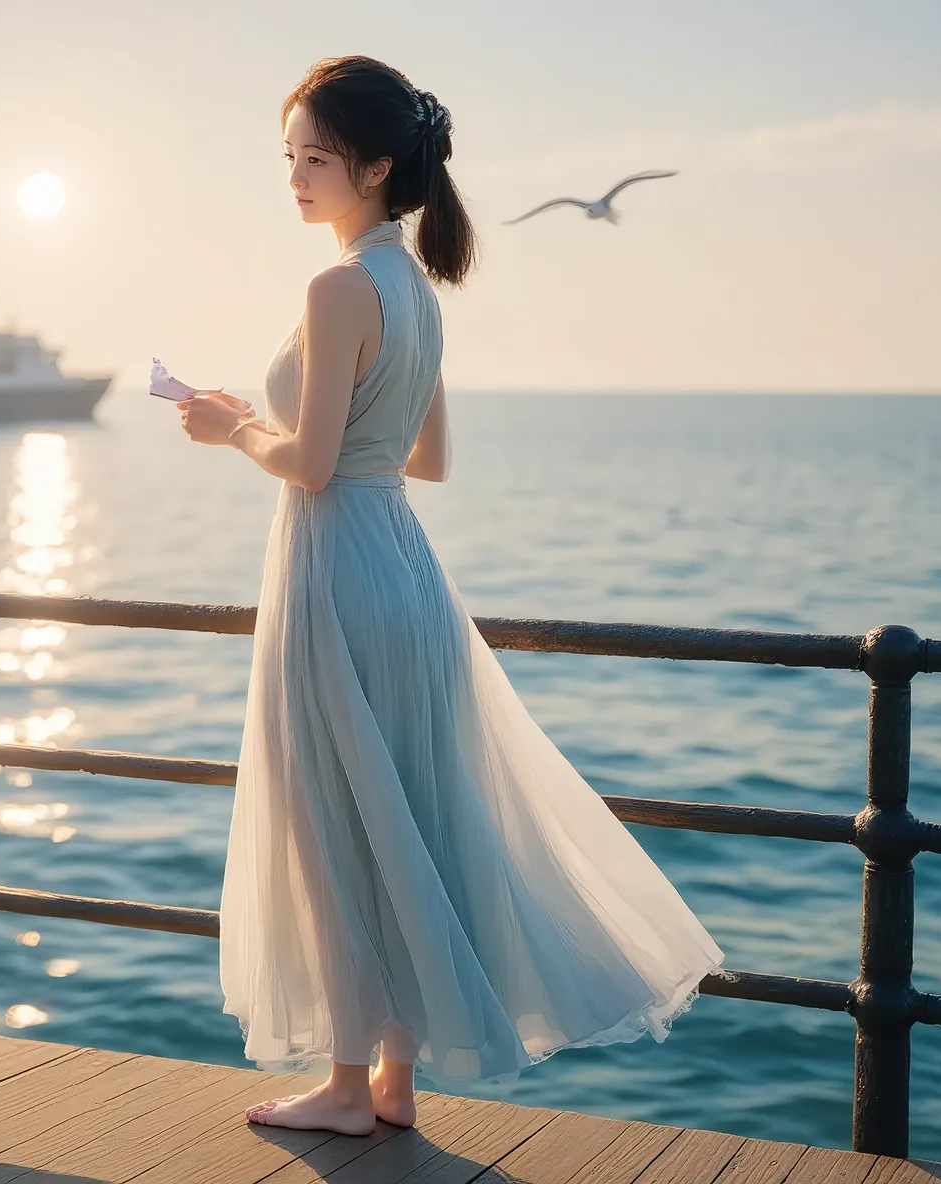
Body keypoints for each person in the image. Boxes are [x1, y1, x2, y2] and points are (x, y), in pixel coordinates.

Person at [176, 56, 725, 1136]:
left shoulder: (335, 288)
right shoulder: (412, 287)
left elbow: (315, 465)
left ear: (375, 165)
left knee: (333, 819)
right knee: (402, 814)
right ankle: (389, 1080)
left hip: (332, 566)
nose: (293, 176)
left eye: (315, 158)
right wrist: (276, 422)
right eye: (287, 156)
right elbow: (421, 458)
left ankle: (342, 1087)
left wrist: (231, 426)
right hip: (404, 569)